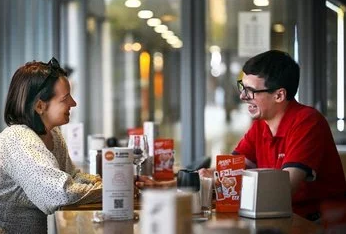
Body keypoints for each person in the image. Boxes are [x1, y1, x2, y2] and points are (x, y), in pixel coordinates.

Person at [137, 50, 346, 221]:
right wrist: (166, 186)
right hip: (276, 217)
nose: (242, 96)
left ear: (279, 95)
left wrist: (225, 181)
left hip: (316, 222)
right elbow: (227, 172)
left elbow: (282, 191)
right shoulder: (260, 126)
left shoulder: (307, 121)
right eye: (242, 88)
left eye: (250, 91)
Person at [0, 58, 102, 233]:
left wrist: (109, 182)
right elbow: (60, 194)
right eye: (65, 98)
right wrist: (111, 190)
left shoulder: (52, 133)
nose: (73, 103)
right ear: (40, 106)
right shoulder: (18, 139)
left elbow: (72, 176)